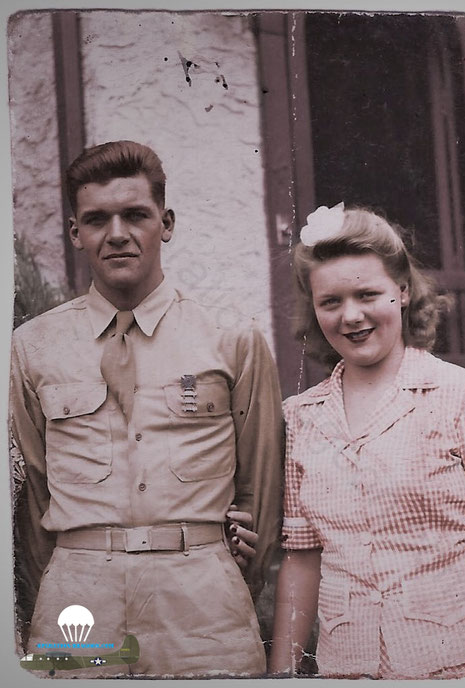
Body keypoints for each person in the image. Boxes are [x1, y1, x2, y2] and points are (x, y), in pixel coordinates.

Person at [10, 140, 284, 678]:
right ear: (75, 232)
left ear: (167, 222)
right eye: (96, 219)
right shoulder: (32, 346)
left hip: (205, 610)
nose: (117, 234)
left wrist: (222, 579)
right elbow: (34, 499)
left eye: (135, 214)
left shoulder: (232, 338)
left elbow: (260, 494)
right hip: (78, 603)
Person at [268, 203, 465, 679]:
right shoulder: (303, 417)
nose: (351, 316)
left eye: (368, 294)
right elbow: (303, 559)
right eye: (330, 302)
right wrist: (282, 675)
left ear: (404, 292)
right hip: (347, 666)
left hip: (460, 664)